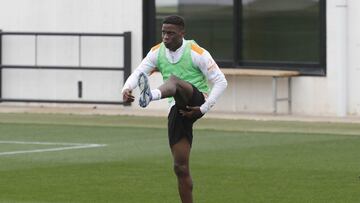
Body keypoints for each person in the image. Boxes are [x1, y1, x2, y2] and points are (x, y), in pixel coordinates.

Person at [122, 15, 227, 203]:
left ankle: (150, 96)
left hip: (196, 99)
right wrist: (127, 88)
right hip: (178, 108)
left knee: (173, 81)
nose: (165, 37)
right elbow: (139, 73)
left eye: (170, 33)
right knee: (180, 167)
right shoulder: (156, 52)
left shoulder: (196, 52)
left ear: (182, 33)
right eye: (163, 32)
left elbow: (221, 81)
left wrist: (203, 108)